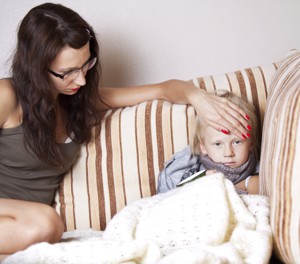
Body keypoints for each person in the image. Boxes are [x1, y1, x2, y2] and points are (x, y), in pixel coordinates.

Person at [0, 3, 252, 256]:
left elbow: (162, 89)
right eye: (67, 73)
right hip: (28, 222)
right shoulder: (6, 97)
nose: (81, 80)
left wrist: (198, 97)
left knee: (46, 225)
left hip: (26, 231)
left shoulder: (76, 101)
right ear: (36, 68)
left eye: (86, 64)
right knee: (47, 222)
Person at [157, 91, 259, 195]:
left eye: (237, 142)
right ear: (203, 147)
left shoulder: (259, 172)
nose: (228, 153)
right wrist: (200, 180)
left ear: (251, 143)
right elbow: (172, 195)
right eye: (218, 144)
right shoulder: (193, 172)